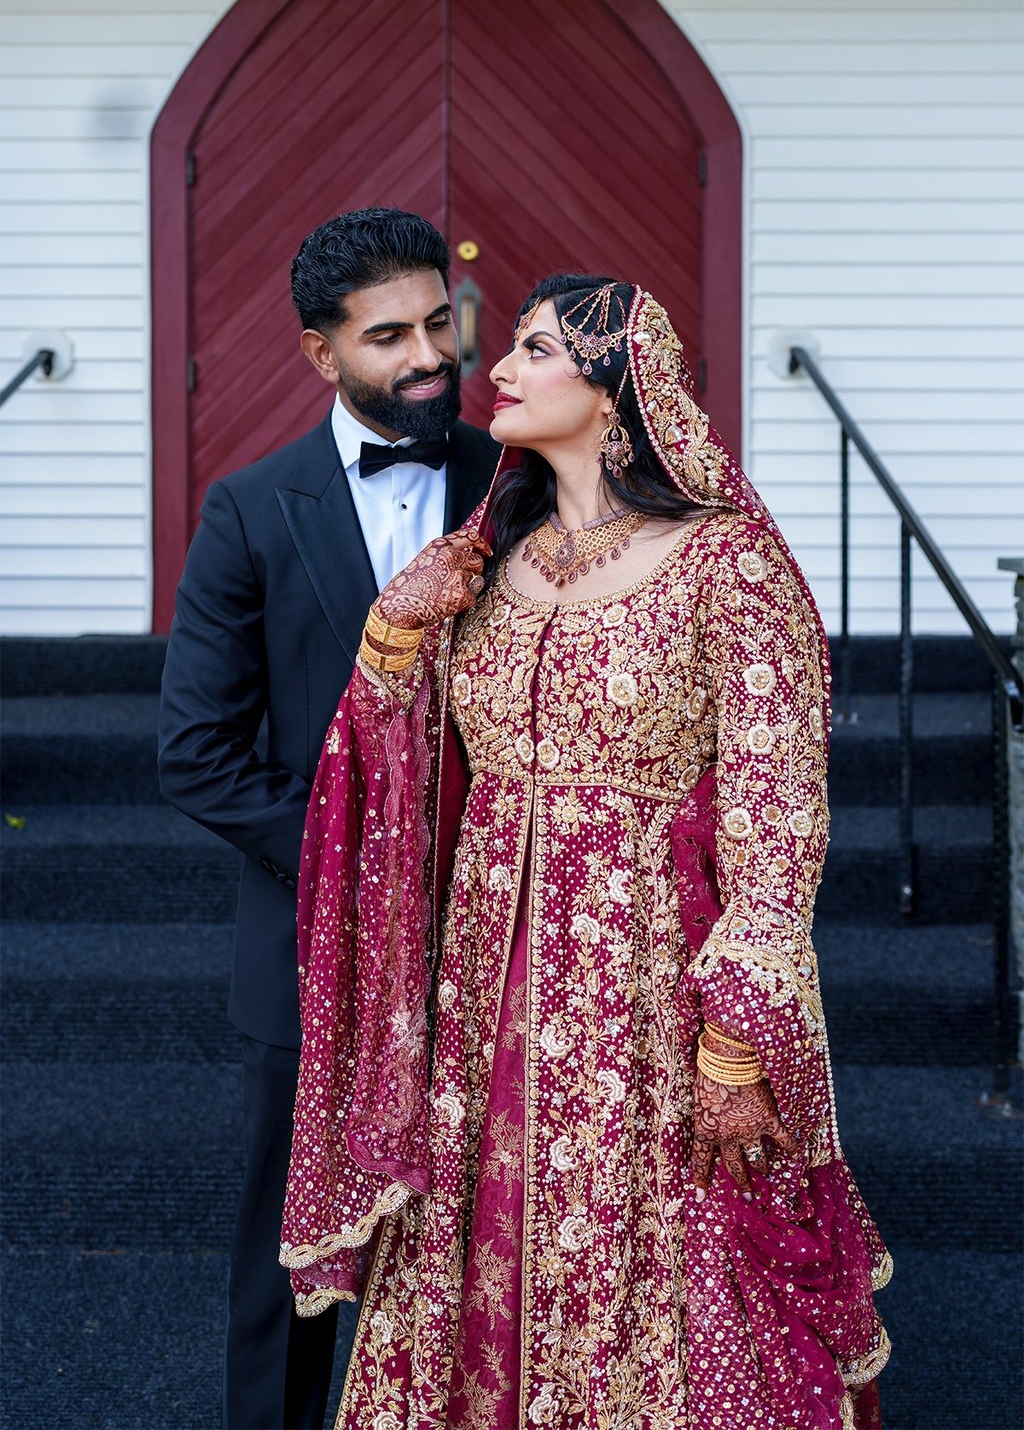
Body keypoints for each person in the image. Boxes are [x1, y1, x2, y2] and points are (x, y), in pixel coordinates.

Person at [280, 277, 891, 1429]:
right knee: (478, 1244)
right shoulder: (485, 565)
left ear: (615, 391)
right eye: (506, 348)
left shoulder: (726, 567)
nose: (496, 369)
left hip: (650, 994)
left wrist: (736, 1039)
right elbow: (392, 774)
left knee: (665, 1254)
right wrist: (393, 633)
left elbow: (779, 813)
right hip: (478, 1001)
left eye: (535, 349)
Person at [156, 207, 500, 1430]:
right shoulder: (250, 510)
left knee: (486, 1229)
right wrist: (360, 858)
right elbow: (194, 755)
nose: (426, 356)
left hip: (498, 933)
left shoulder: (518, 484)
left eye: (438, 324)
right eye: (388, 335)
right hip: (311, 936)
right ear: (322, 356)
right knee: (285, 1257)